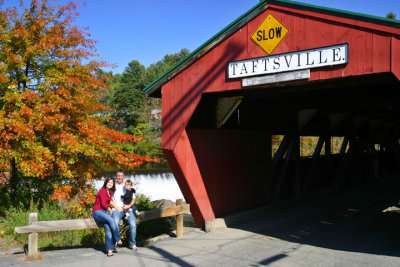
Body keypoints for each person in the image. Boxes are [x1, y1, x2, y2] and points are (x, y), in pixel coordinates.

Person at [92, 177, 123, 257]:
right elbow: (103, 203)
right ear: (106, 182)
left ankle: (109, 250)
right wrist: (109, 209)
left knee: (108, 228)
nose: (110, 184)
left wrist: (116, 207)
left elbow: (109, 201)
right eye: (108, 182)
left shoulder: (108, 191)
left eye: (111, 183)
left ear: (113, 184)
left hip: (105, 212)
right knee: (111, 220)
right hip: (98, 211)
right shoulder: (102, 191)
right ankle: (118, 238)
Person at [112, 170, 138, 251]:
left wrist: (128, 206)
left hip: (128, 208)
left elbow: (134, 199)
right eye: (118, 175)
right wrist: (116, 207)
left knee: (133, 225)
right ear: (116, 176)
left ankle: (132, 244)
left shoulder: (128, 186)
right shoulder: (112, 185)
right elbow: (109, 199)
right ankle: (115, 242)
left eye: (121, 176)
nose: (119, 177)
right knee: (115, 223)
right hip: (117, 209)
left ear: (123, 176)